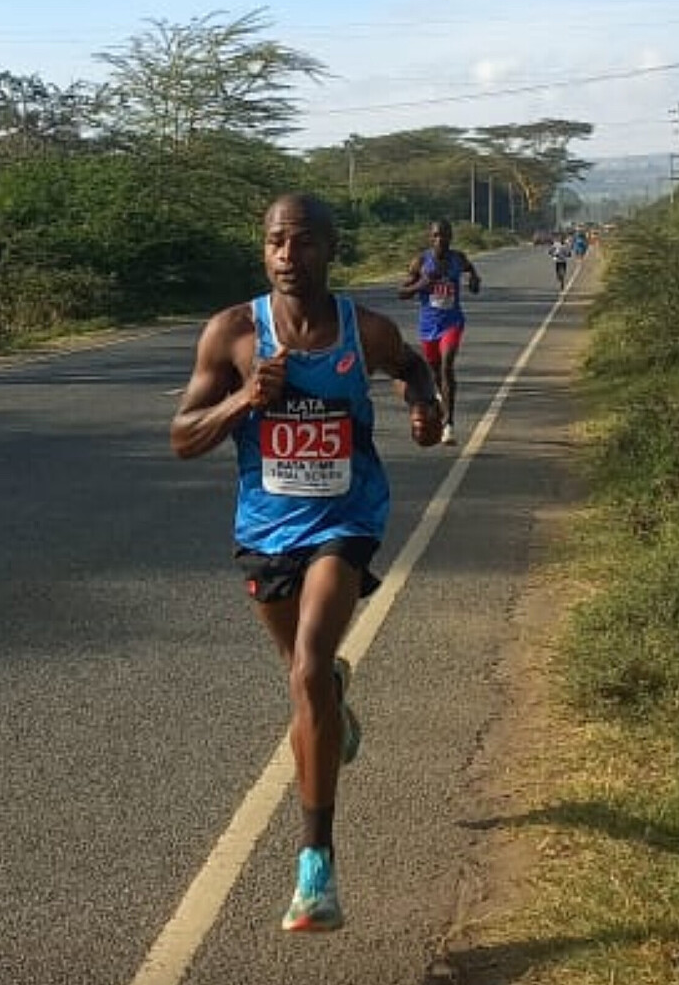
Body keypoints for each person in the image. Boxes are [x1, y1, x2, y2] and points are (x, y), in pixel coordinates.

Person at [170, 192, 442, 932]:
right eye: (275, 242)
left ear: (331, 248)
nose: (288, 256)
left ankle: (315, 867)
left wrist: (425, 407)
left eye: (304, 242)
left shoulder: (366, 329)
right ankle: (334, 703)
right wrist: (243, 403)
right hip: (266, 530)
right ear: (264, 249)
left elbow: (413, 368)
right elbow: (183, 436)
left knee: (308, 667)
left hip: (345, 520)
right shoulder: (233, 333)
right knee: (306, 678)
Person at [398, 219, 481, 445]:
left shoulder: (458, 258)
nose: (440, 239)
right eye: (435, 235)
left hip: (452, 323)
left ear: (451, 237)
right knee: (435, 373)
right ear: (430, 238)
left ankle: (449, 423)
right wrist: (422, 284)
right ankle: (440, 400)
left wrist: (474, 281)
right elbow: (401, 293)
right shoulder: (421, 262)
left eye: (444, 235)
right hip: (428, 327)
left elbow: (471, 271)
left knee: (447, 366)